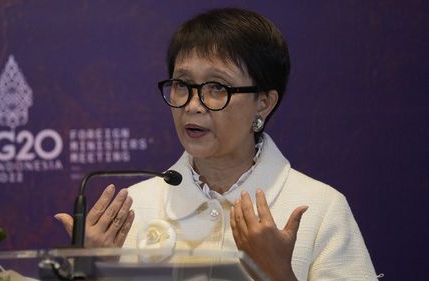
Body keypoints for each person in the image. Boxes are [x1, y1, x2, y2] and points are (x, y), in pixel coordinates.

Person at [55, 7, 377, 280]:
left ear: (264, 102)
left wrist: (279, 275)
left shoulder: (318, 209)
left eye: (216, 87)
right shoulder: (130, 212)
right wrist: (91, 272)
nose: (192, 105)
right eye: (182, 85)